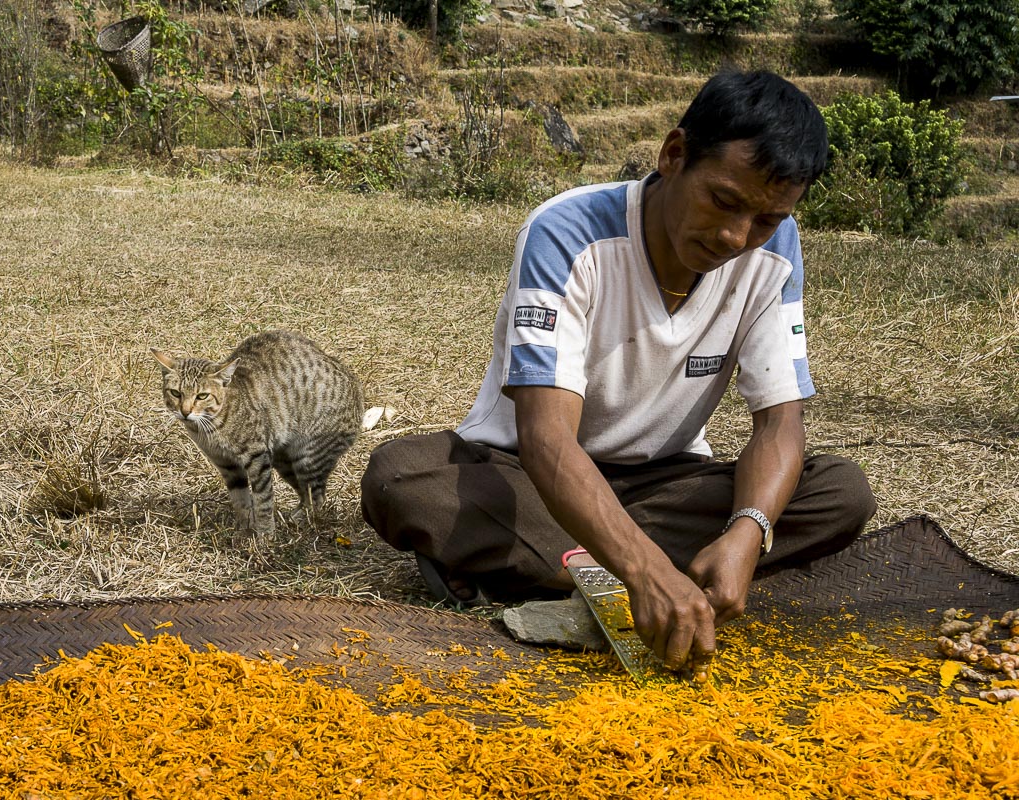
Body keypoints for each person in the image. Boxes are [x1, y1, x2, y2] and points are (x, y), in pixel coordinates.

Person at [360, 69, 877, 677]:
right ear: (674, 154)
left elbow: (780, 423)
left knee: (839, 491)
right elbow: (548, 440)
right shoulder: (567, 232)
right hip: (528, 477)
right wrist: (646, 569)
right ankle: (638, 570)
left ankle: (548, 568)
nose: (737, 236)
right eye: (724, 201)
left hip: (664, 483)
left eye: (766, 219)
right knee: (403, 475)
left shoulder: (775, 250)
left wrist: (746, 532)